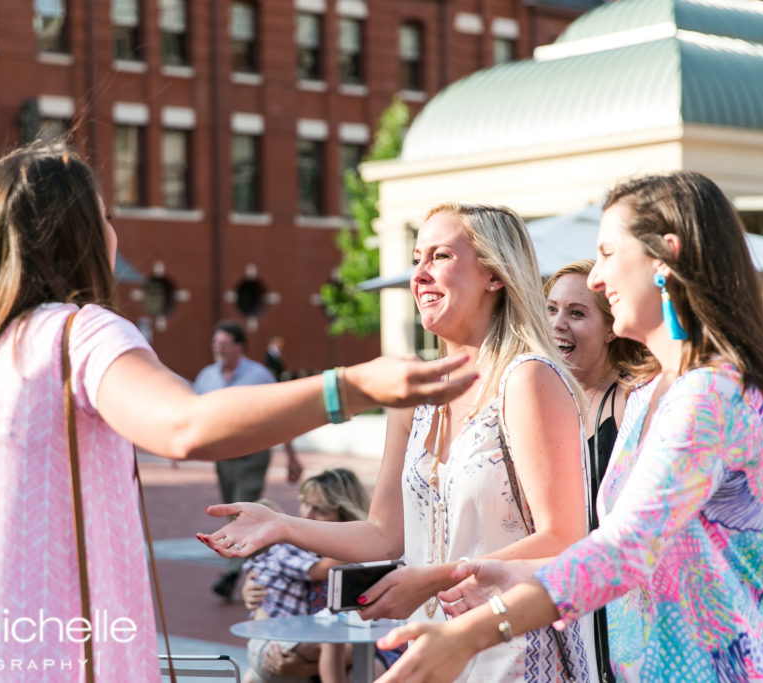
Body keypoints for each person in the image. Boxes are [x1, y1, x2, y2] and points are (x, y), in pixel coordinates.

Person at [0, 144, 475, 682]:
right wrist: (350, 386)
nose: (115, 234)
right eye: (105, 219)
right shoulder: (82, 335)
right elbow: (187, 424)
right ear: (77, 237)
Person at [373, 171, 763, 682]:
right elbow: (614, 553)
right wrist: (505, 573)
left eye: (607, 252)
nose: (598, 278)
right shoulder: (651, 398)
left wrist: (472, 634)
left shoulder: (712, 395)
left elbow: (625, 550)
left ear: (665, 259)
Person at [200, 202, 596, 681]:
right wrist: (281, 525)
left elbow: (565, 537)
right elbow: (384, 534)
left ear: (495, 275)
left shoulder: (528, 378)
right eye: (416, 258)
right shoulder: (413, 397)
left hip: (515, 652)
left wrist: (429, 578)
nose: (420, 274)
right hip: (428, 654)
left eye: (440, 257)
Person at [543, 259, 650, 681]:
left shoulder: (632, 401)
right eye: (551, 309)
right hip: (562, 607)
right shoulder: (546, 399)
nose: (557, 324)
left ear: (611, 327)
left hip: (622, 611)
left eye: (576, 313)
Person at [241, 469, 391, 683]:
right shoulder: (299, 550)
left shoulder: (365, 563)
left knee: (370, 671)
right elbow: (266, 580)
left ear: (344, 517)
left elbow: (378, 633)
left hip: (358, 651)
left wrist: (302, 666)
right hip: (306, 649)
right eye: (304, 503)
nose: (306, 515)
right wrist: (250, 588)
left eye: (319, 510)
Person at [195, 321, 304, 599]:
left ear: (239, 346)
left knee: (240, 511)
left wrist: (291, 457)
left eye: (224, 343)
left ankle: (231, 574)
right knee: (229, 509)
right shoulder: (207, 376)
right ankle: (249, 563)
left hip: (253, 456)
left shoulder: (259, 375)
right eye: (215, 343)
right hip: (223, 458)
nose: (218, 348)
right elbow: (193, 415)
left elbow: (281, 416)